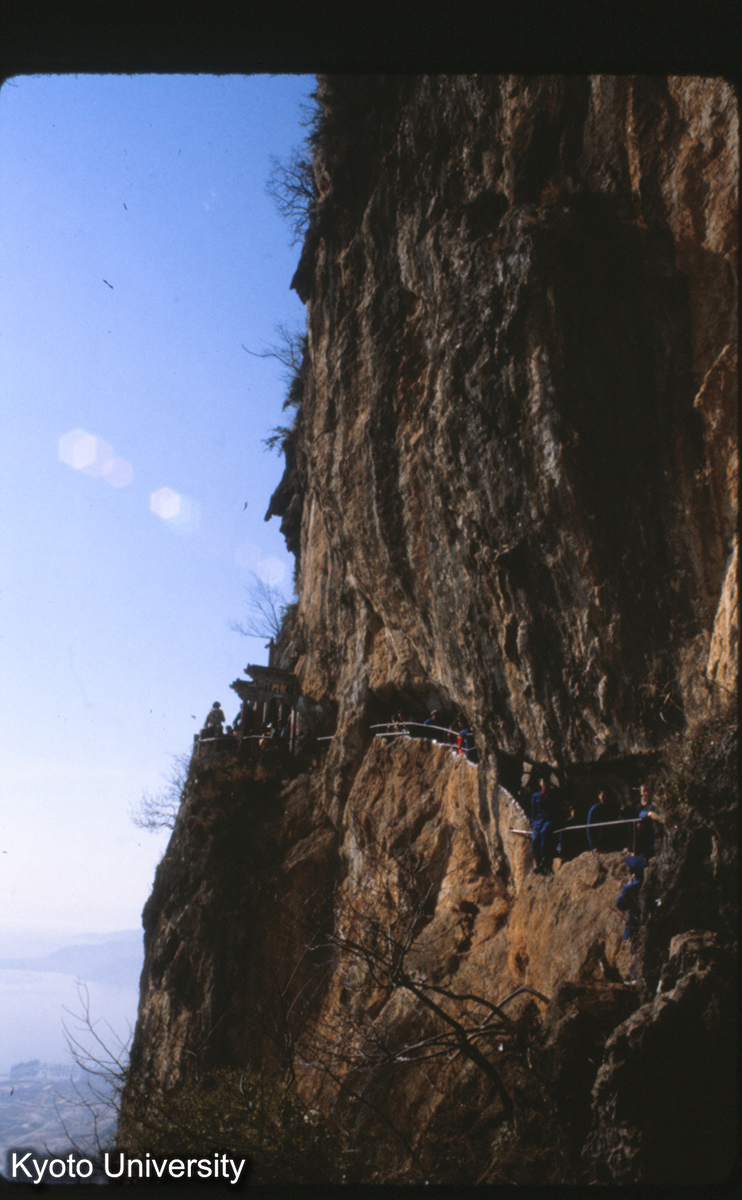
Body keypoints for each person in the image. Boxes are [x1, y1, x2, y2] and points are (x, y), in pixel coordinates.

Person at [531, 777, 556, 874]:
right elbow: (533, 813)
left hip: (548, 820)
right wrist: (534, 824)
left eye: (546, 782)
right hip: (538, 821)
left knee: (544, 833)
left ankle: (544, 859)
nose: (545, 784)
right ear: (540, 783)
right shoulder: (536, 796)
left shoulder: (552, 794)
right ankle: (538, 863)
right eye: (543, 782)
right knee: (535, 839)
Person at [635, 783, 661, 859]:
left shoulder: (653, 804)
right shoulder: (638, 805)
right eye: (644, 791)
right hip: (641, 832)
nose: (646, 793)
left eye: (648, 791)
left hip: (652, 831)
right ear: (641, 793)